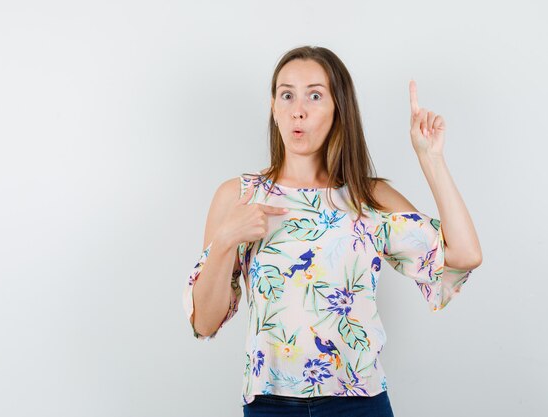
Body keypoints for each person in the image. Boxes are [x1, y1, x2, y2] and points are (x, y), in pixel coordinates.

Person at [182, 45, 482, 417]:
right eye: (286, 94)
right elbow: (204, 321)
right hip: (270, 405)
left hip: (359, 403)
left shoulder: (368, 197)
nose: (298, 109)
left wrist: (431, 159)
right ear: (274, 107)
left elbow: (465, 255)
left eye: (315, 95)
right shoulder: (239, 196)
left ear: (338, 108)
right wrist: (226, 238)